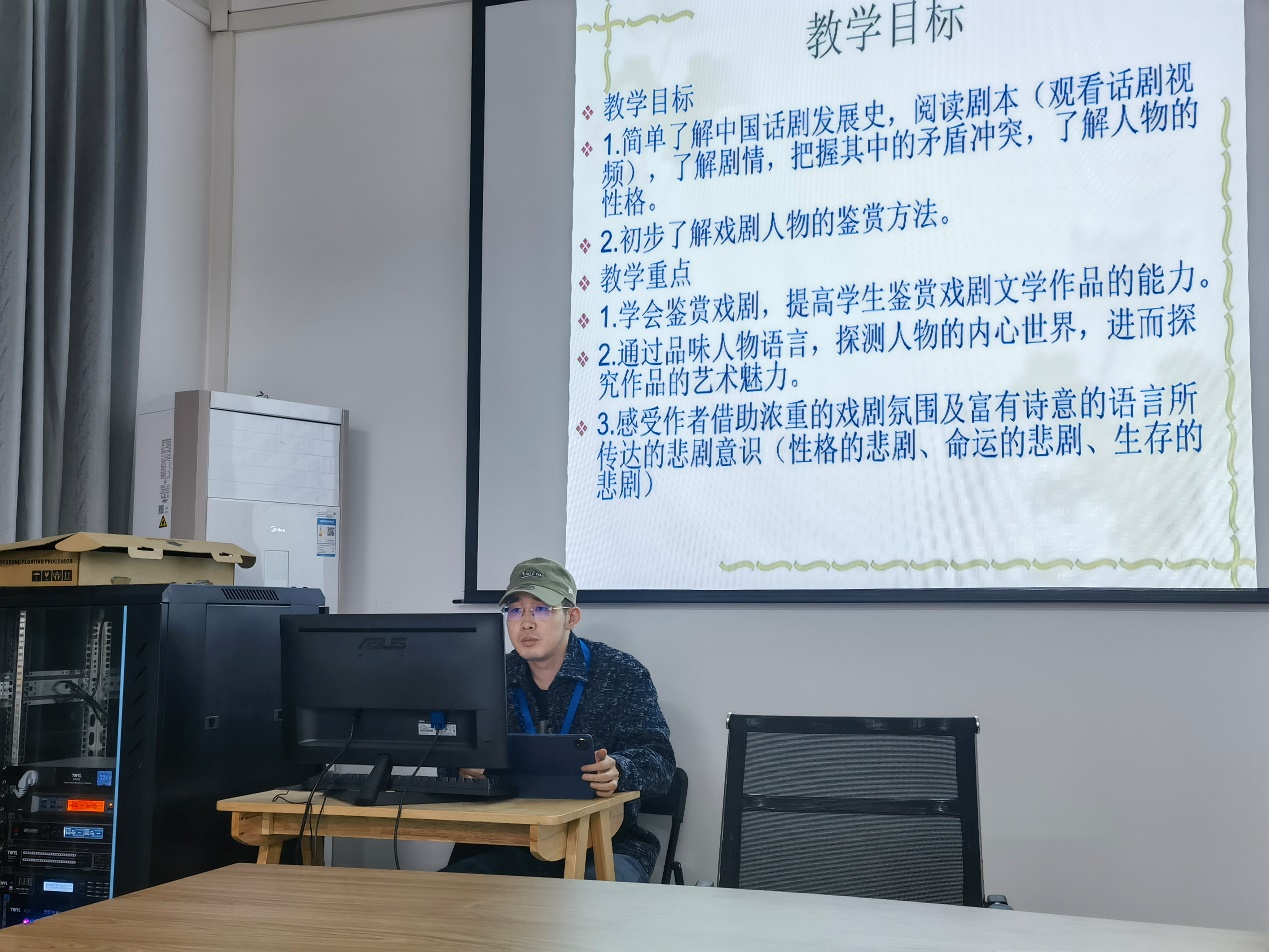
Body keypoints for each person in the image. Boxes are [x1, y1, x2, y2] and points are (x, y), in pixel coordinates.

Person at [440, 557, 675, 882]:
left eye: (541, 609)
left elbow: (661, 764)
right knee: (441, 896)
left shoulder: (621, 673)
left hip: (604, 842)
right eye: (515, 610)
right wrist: (463, 767)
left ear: (571, 617)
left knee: (592, 902)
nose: (526, 623)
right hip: (507, 841)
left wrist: (619, 770)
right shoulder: (488, 676)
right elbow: (447, 759)